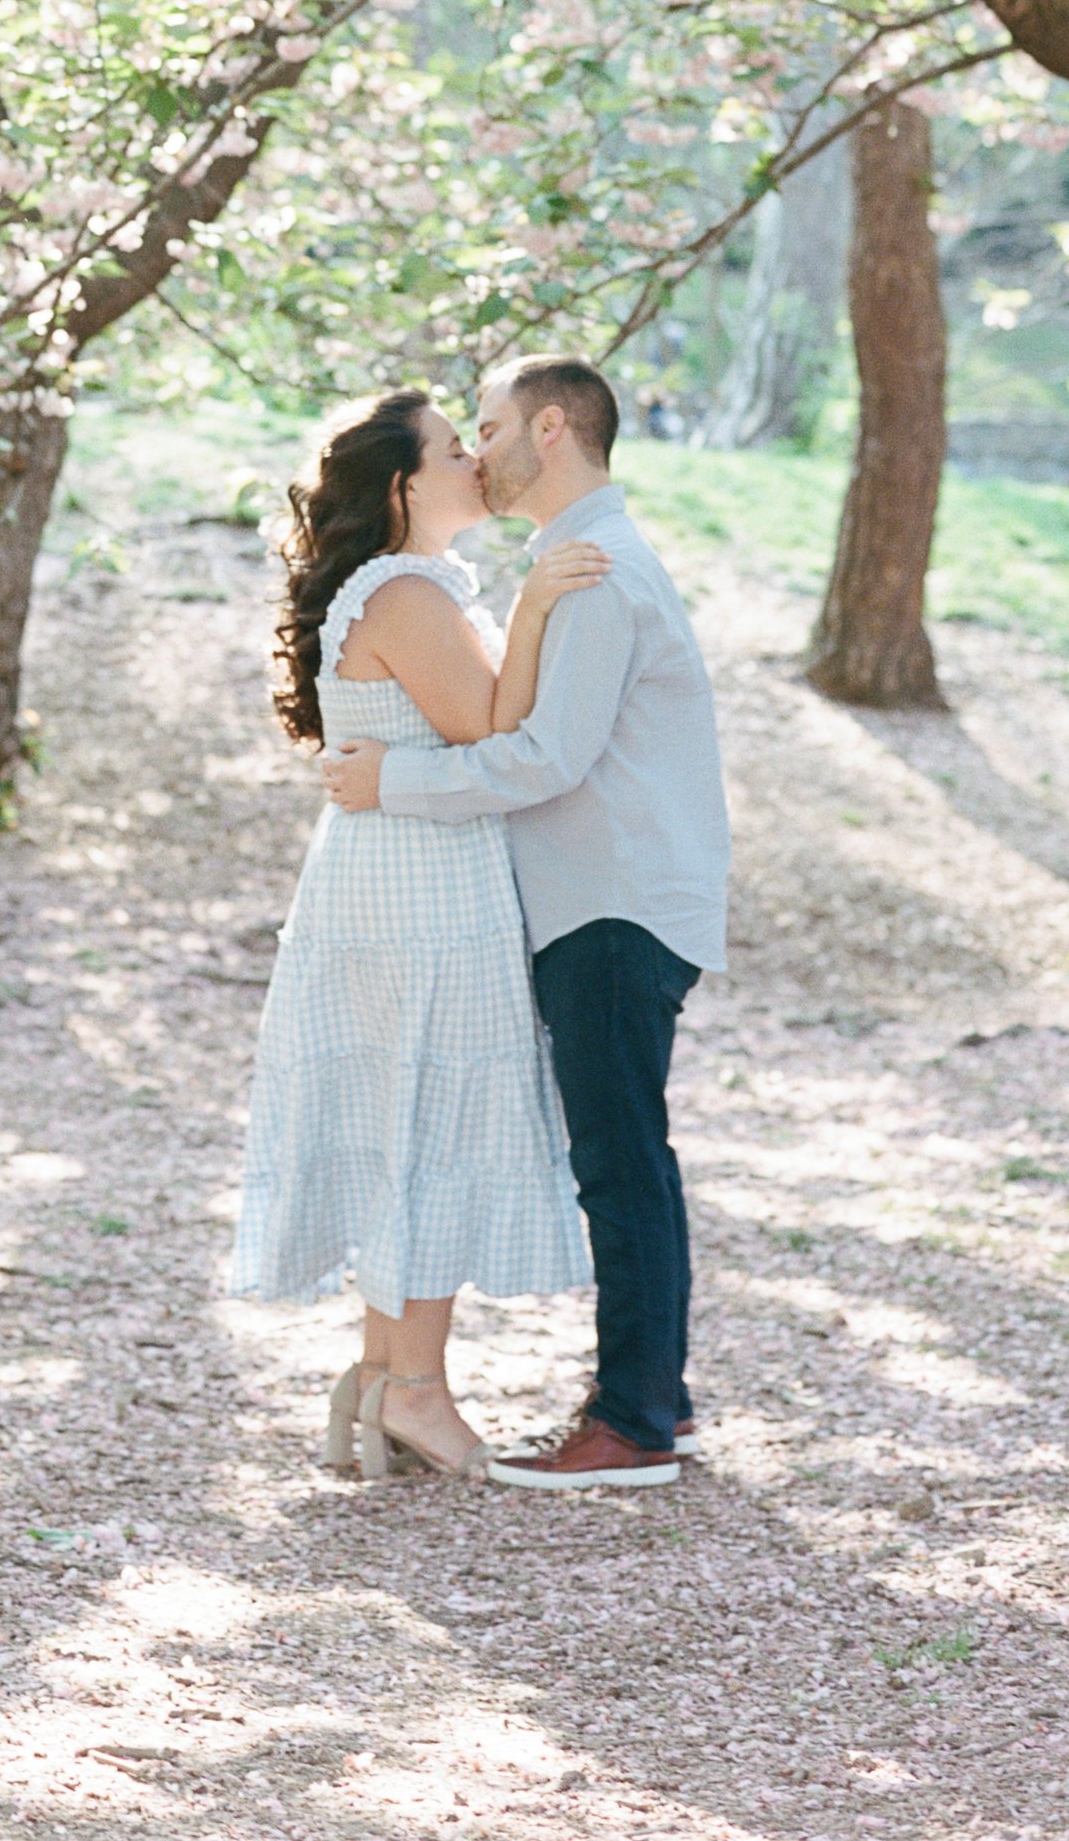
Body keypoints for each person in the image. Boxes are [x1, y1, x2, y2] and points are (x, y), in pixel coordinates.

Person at [321, 355, 729, 1493]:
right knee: (627, 1154)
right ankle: (656, 1401)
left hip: (610, 900)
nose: (480, 450)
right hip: (613, 894)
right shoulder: (576, 559)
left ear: (549, 430)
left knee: (619, 1162)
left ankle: (635, 1419)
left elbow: (544, 756)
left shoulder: (587, 570)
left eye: (490, 426)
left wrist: (386, 784)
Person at [228, 388, 608, 1480]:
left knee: (410, 1123)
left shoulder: (406, 586)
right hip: (417, 895)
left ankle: (386, 1375)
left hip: (400, 879)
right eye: (452, 450)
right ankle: (414, 1389)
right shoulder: (401, 589)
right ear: (401, 486)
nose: (473, 464)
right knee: (430, 1124)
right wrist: (535, 606)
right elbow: (495, 726)